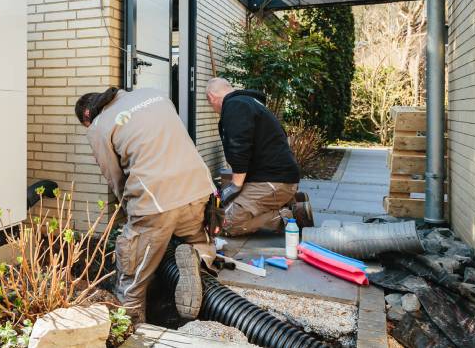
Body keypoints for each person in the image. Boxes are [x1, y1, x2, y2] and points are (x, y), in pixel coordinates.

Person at [75, 86, 216, 322]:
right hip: (199, 187)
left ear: (87, 116)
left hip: (156, 200)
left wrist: (132, 212)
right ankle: (197, 259)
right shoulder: (155, 94)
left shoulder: (99, 126)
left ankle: (132, 327)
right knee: (196, 238)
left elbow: (115, 176)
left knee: (133, 274)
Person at [205, 78, 313, 237]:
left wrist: (235, 185)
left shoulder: (235, 106)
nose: (213, 108)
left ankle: (290, 216)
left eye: (210, 104)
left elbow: (238, 145)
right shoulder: (248, 102)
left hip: (272, 181)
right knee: (226, 210)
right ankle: (290, 200)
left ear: (211, 97)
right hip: (275, 178)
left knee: (225, 223)